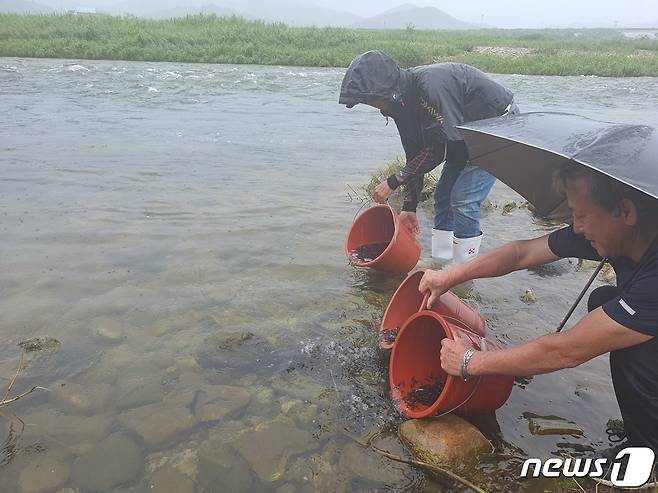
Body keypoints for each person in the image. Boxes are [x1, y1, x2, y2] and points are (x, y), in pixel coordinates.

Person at [419, 162, 658, 453]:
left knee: (626, 329)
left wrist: (470, 361)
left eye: (581, 215)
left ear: (626, 211)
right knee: (605, 302)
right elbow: (521, 253)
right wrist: (449, 277)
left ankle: (647, 452)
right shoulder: (623, 232)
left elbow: (567, 350)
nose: (577, 227)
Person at [339, 50, 518, 264]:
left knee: (463, 200)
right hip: (462, 133)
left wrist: (392, 182)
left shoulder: (429, 87)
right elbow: (415, 155)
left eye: (371, 100)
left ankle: (464, 272)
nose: (373, 106)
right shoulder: (399, 104)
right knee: (443, 196)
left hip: (496, 126)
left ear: (385, 89)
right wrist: (409, 207)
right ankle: (441, 263)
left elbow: (436, 151)